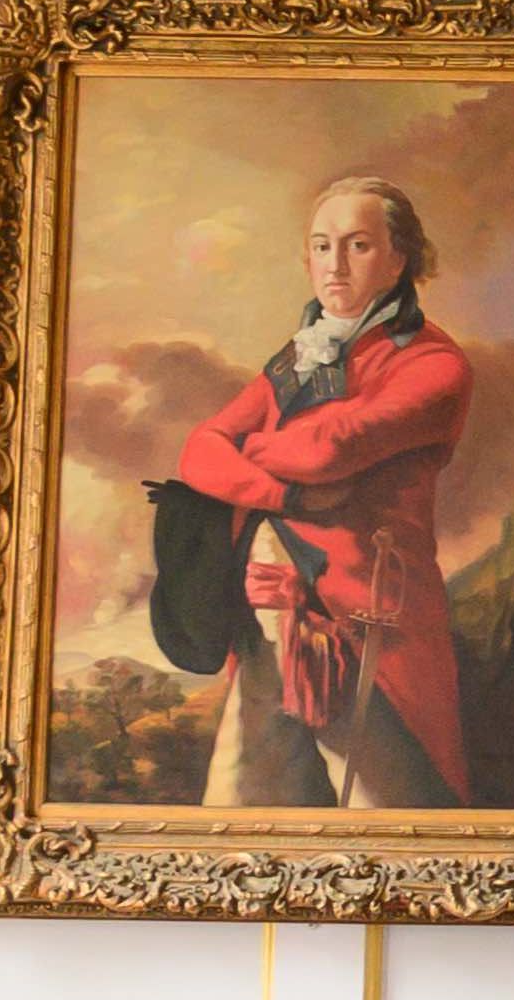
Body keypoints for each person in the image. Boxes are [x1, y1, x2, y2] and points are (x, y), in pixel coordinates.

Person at [156, 172, 474, 810]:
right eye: (322, 246)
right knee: (242, 813)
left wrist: (246, 451)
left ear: (399, 259)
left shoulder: (434, 364)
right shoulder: (299, 358)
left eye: (358, 245)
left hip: (366, 624)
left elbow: (331, 447)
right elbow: (199, 451)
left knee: (386, 814)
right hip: (266, 614)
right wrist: (288, 498)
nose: (335, 264)